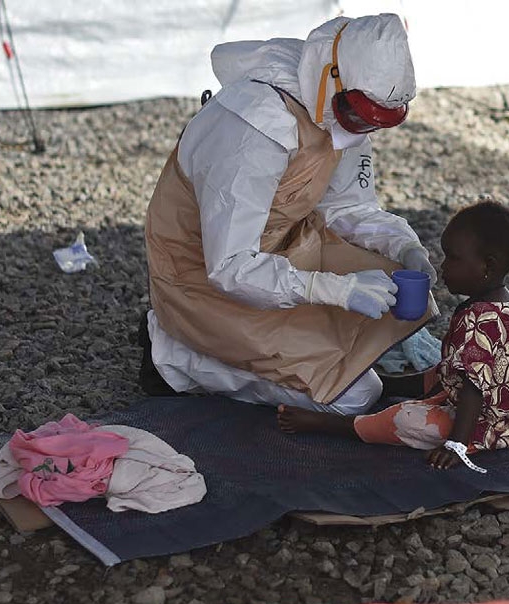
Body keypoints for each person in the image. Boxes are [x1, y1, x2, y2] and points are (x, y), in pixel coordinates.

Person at [139, 13, 439, 416]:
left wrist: (406, 247)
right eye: (359, 117)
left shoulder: (339, 108)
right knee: (355, 396)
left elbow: (348, 208)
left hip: (283, 247)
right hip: (203, 279)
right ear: (333, 80)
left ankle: (307, 352)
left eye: (374, 123)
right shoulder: (255, 127)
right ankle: (175, 356)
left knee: (394, 281)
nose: (362, 130)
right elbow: (230, 266)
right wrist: (335, 290)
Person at [278, 200, 509, 471]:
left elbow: (473, 389)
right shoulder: (507, 302)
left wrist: (456, 446)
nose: (443, 267)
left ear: (487, 265)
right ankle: (389, 385)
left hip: (495, 425)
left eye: (452, 258)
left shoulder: (477, 319)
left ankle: (330, 424)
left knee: (406, 418)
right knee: (446, 370)